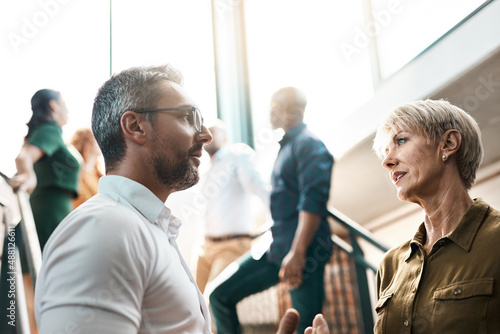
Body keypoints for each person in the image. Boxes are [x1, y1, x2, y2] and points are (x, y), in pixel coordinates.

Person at [34, 65, 214, 333]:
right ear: (135, 126)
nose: (205, 135)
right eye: (188, 117)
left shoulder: (142, 226)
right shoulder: (105, 228)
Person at [209, 87, 334, 334]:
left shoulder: (308, 144)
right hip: (276, 246)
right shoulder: (287, 147)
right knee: (219, 296)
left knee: (305, 327)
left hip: (305, 253)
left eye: (272, 106)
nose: (269, 112)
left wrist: (298, 253)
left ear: (285, 109)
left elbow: (312, 200)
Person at [372, 99, 500, 333]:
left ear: (448, 144)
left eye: (400, 140)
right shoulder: (389, 265)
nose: (387, 162)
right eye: (385, 151)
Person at [195, 119, 270, 294]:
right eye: (205, 131)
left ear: (226, 139)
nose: (207, 134)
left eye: (214, 131)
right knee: (193, 302)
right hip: (205, 247)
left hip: (232, 245)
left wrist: (277, 225)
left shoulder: (236, 157)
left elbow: (259, 189)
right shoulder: (205, 168)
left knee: (214, 300)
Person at [11, 89, 79, 250]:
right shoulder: (50, 129)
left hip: (51, 209)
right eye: (64, 104)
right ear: (53, 105)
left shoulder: (45, 131)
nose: (67, 109)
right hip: (50, 213)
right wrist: (28, 174)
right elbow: (23, 157)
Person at [70, 127, 103, 208]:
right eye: (96, 137)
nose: (101, 140)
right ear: (87, 142)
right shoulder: (77, 174)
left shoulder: (99, 175)